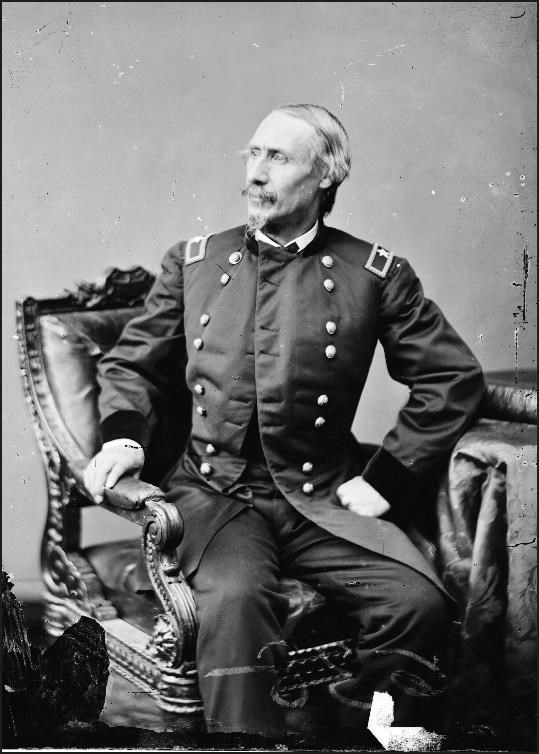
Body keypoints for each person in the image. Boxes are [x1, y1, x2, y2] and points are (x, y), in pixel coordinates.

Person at [83, 103, 485, 745]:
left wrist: (388, 478)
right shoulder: (193, 264)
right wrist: (126, 438)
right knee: (236, 604)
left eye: (278, 158)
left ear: (327, 176)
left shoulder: (373, 274)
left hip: (319, 494)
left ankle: (362, 735)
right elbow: (131, 363)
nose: (255, 174)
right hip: (214, 495)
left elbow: (451, 377)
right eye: (252, 154)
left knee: (420, 603)